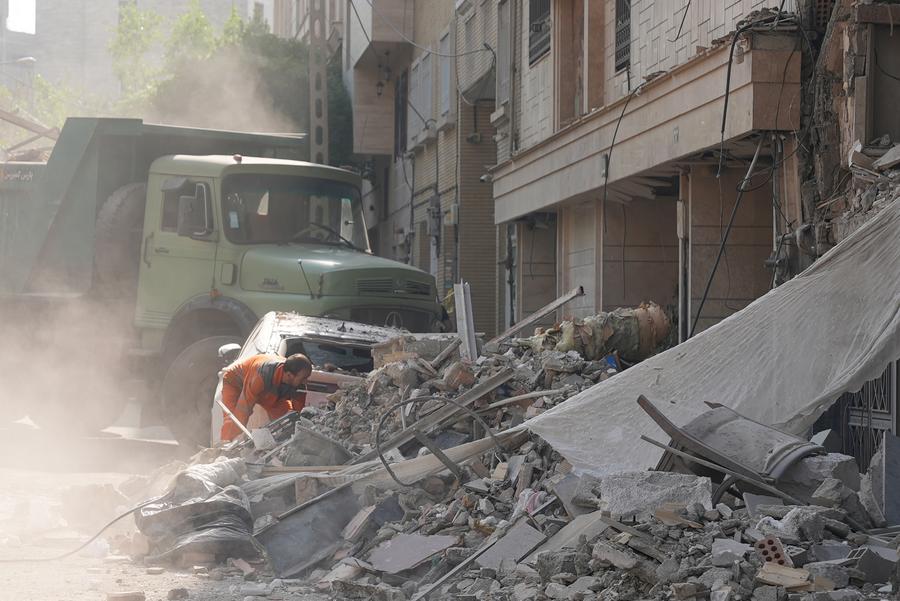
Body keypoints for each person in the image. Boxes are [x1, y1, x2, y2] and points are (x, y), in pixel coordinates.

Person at [220, 353, 313, 441]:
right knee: (233, 419)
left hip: (265, 388)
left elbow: (298, 413)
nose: (306, 382)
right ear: (289, 375)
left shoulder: (298, 383)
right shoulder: (261, 375)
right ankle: (225, 448)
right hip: (236, 381)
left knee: (287, 419)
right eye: (303, 378)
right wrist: (234, 435)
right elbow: (244, 408)